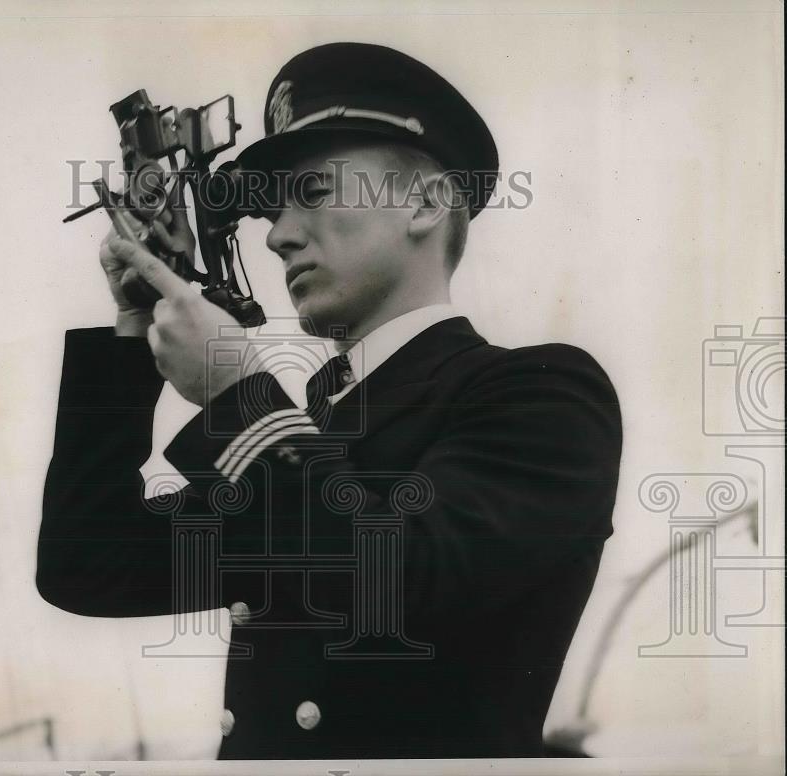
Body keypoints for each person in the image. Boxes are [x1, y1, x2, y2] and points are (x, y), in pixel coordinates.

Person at [36, 42, 623, 759]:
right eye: (275, 210)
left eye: (311, 193)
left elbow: (397, 579)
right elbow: (88, 565)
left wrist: (233, 395)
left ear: (428, 202)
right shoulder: (306, 430)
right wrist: (133, 326)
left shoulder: (541, 394)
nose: (278, 235)